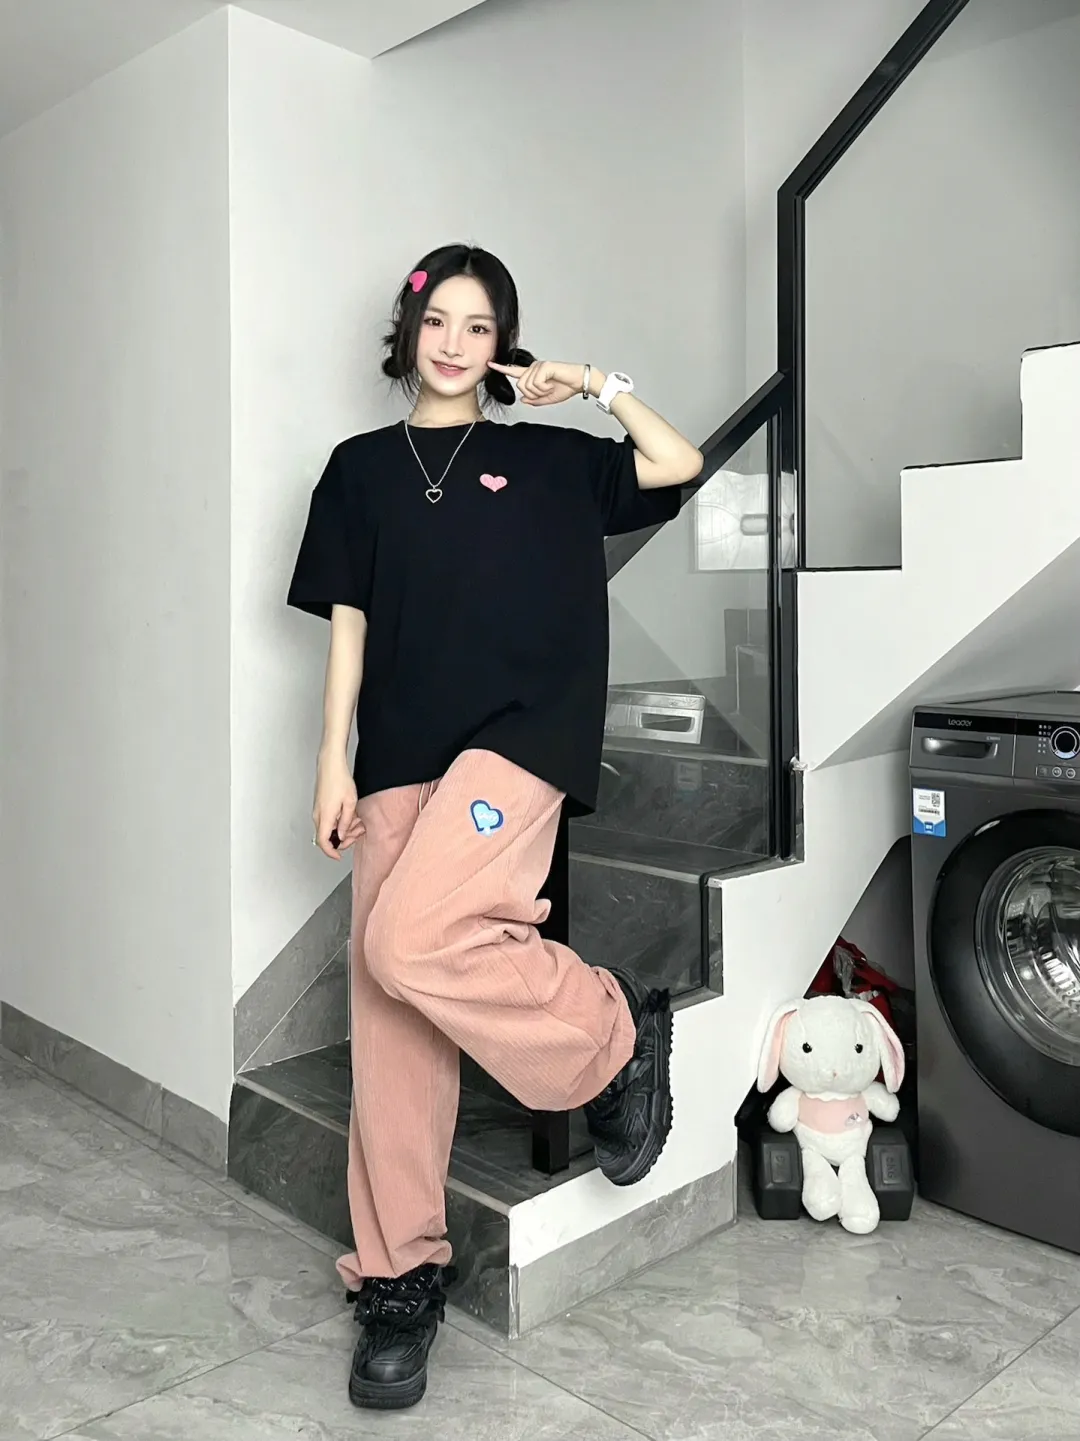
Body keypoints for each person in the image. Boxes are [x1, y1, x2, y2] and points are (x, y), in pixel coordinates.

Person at [287, 243, 703, 1411]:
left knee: (408, 942)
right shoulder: (358, 469)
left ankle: (610, 1032)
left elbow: (678, 463)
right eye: (440, 321)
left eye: (481, 326)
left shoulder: (557, 460)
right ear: (409, 330)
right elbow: (349, 623)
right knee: (390, 1018)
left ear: (502, 344)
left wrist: (594, 383)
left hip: (520, 740)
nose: (456, 343)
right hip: (395, 757)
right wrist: (331, 758)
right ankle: (398, 1277)